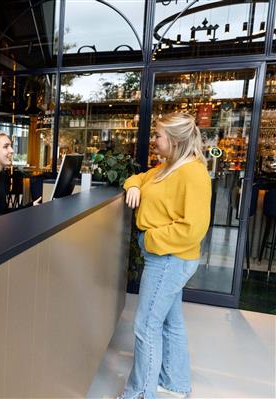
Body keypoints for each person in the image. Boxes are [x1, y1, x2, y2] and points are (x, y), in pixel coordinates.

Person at [120, 112, 211, 399]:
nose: (153, 140)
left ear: (173, 140)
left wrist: (149, 240)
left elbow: (193, 229)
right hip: (164, 256)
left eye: (158, 135)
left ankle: (140, 394)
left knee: (146, 325)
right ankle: (175, 383)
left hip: (169, 257)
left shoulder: (193, 172)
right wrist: (134, 185)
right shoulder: (167, 167)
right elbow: (138, 177)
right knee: (171, 322)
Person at [0, 132, 41, 217]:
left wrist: (30, 207)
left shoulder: (2, 175)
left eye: (10, 146)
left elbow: (3, 212)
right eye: (5, 146)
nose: (12, 150)